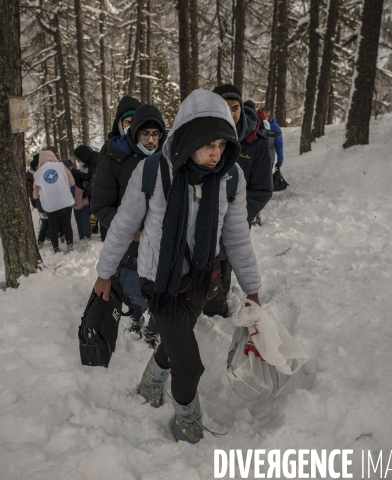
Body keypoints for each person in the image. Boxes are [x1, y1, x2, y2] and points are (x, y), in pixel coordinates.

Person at [93, 90, 262, 444]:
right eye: (208, 144)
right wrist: (104, 272)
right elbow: (123, 225)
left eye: (222, 142)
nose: (217, 153)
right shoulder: (152, 172)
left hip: (201, 279)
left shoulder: (231, 179)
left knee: (174, 343)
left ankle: (150, 381)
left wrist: (252, 288)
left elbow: (236, 238)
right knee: (190, 364)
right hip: (159, 280)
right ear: (187, 138)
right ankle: (185, 416)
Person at [91, 104, 164, 347]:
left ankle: (154, 328)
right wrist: (129, 231)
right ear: (134, 133)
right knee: (133, 289)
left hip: (161, 242)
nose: (151, 140)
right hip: (129, 245)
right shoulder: (115, 158)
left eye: (156, 134)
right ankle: (134, 316)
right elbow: (101, 205)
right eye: (145, 134)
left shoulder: (170, 159)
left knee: (160, 291)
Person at [203, 84, 273, 318]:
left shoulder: (257, 143)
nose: (231, 112)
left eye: (235, 108)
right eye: (225, 107)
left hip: (236, 221)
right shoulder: (202, 138)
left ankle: (217, 309)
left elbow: (262, 189)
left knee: (225, 262)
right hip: (203, 219)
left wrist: (239, 214)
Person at [95, 96, 142, 241]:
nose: (132, 126)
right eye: (128, 122)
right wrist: (124, 228)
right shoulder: (110, 150)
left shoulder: (153, 147)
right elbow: (102, 199)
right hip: (124, 233)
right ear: (120, 124)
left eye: (135, 121)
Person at [32, 149, 75, 253]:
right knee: (67, 224)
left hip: (50, 204)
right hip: (65, 201)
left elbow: (35, 193)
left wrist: (39, 202)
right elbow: (72, 182)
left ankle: (55, 247)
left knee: (53, 225)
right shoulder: (61, 166)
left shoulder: (37, 174)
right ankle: (70, 246)